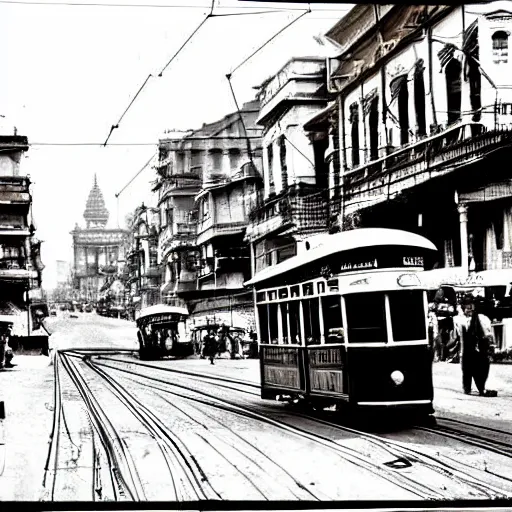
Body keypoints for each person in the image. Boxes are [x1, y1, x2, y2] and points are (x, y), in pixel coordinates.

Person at [460, 295, 498, 397]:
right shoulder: (461, 320)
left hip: (481, 347)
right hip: (469, 349)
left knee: (481, 368)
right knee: (468, 368)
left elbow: (489, 334)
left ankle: (481, 387)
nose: (469, 310)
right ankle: (469, 388)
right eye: (467, 308)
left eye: (470, 307)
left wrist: (491, 346)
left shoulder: (482, 318)